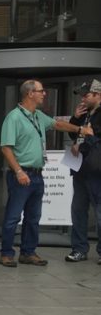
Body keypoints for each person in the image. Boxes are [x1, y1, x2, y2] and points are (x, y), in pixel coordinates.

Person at [0, 79, 87, 267]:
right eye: (41, 91)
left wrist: (79, 128)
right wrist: (19, 171)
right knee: (13, 216)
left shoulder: (38, 115)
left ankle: (28, 253)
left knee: (33, 217)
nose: (44, 94)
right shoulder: (14, 117)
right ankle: (6, 254)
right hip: (21, 175)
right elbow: (6, 148)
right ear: (30, 94)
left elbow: (57, 125)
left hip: (38, 175)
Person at [65, 78, 101, 264]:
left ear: (97, 95)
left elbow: (95, 139)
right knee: (78, 210)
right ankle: (79, 249)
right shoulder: (86, 113)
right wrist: (76, 118)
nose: (83, 99)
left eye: (86, 95)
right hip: (81, 170)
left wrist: (84, 145)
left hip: (97, 172)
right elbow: (74, 133)